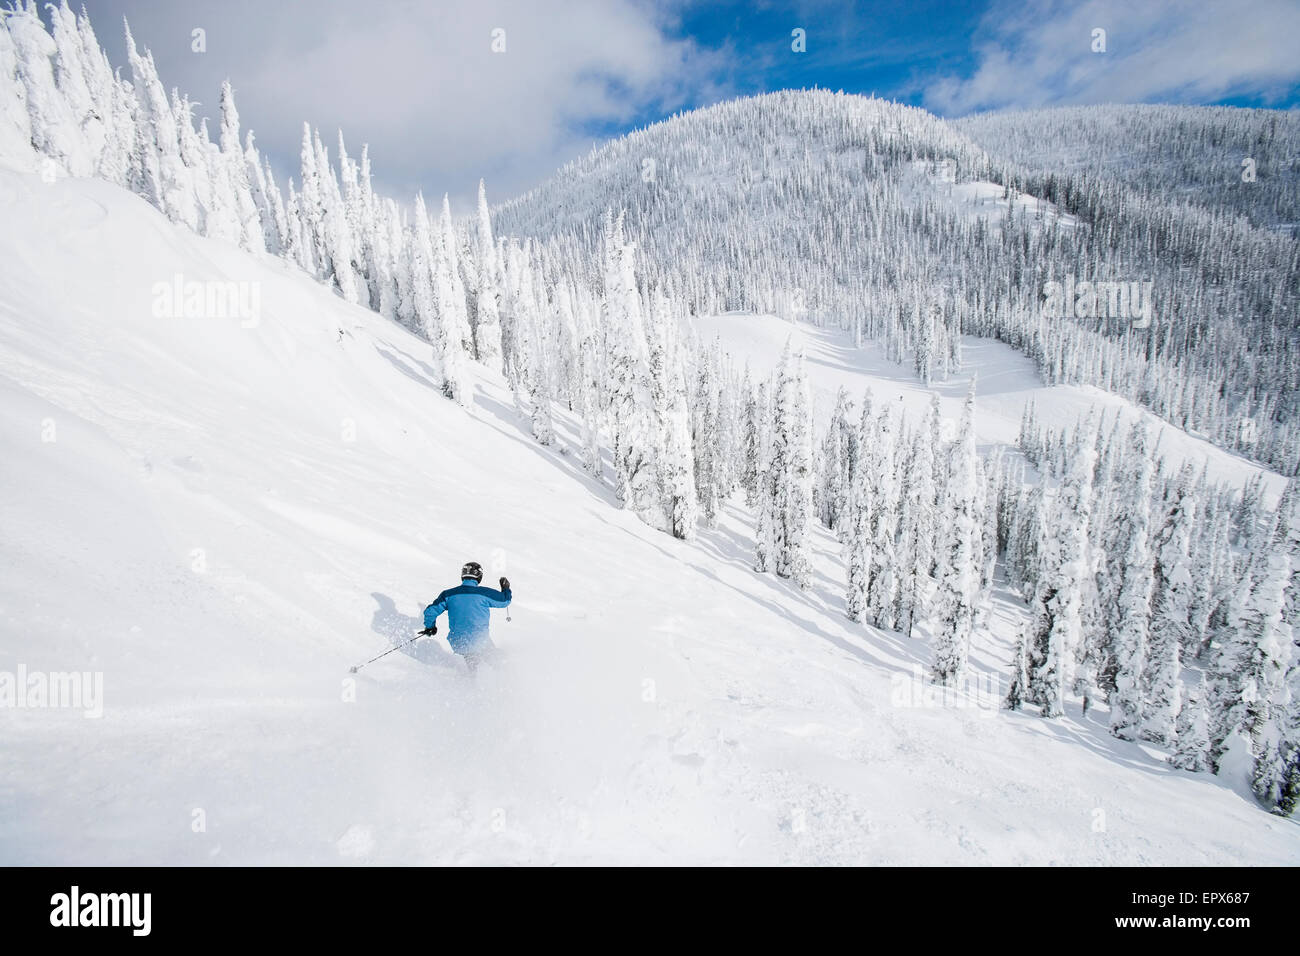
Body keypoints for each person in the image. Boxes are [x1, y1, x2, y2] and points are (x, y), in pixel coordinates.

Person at [420, 561, 512, 674]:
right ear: (479, 576)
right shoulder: (483, 593)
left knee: (473, 663)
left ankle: (471, 682)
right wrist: (506, 588)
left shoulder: (448, 594)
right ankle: (504, 682)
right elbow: (505, 601)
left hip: (458, 642)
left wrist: (430, 627)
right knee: (499, 663)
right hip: (479, 641)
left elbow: (430, 611)